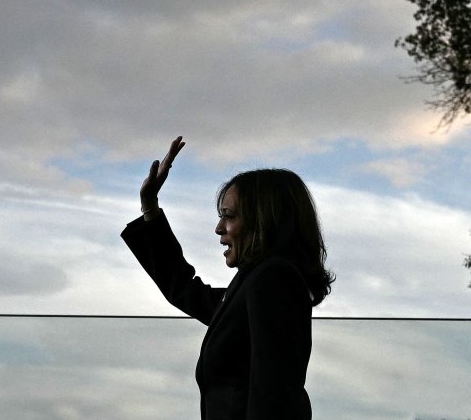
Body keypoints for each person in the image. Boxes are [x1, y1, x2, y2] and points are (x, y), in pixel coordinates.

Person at [121, 136, 334, 420]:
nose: (219, 228)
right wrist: (150, 207)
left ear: (263, 221)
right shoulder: (257, 282)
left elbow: (273, 395)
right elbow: (186, 290)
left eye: (229, 216)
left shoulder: (272, 279)